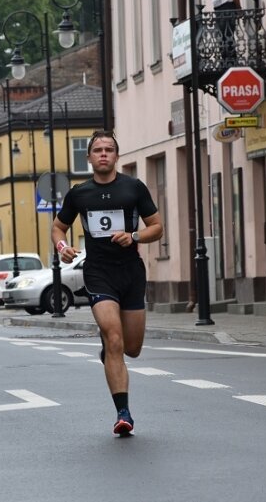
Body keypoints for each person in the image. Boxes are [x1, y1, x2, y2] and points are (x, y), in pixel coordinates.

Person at [51, 130, 163, 436]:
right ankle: (123, 413)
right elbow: (58, 228)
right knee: (113, 337)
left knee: (133, 348)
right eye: (97, 150)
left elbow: (157, 227)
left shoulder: (133, 188)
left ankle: (110, 351)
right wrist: (62, 249)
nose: (103, 154)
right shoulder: (79, 194)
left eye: (109, 149)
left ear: (116, 155)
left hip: (130, 272)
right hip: (98, 272)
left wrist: (135, 235)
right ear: (89, 158)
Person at [213, 0, 241, 67]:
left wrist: (239, 9)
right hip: (221, 9)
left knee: (227, 35)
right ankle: (226, 59)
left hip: (226, 8)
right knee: (223, 36)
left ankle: (231, 60)